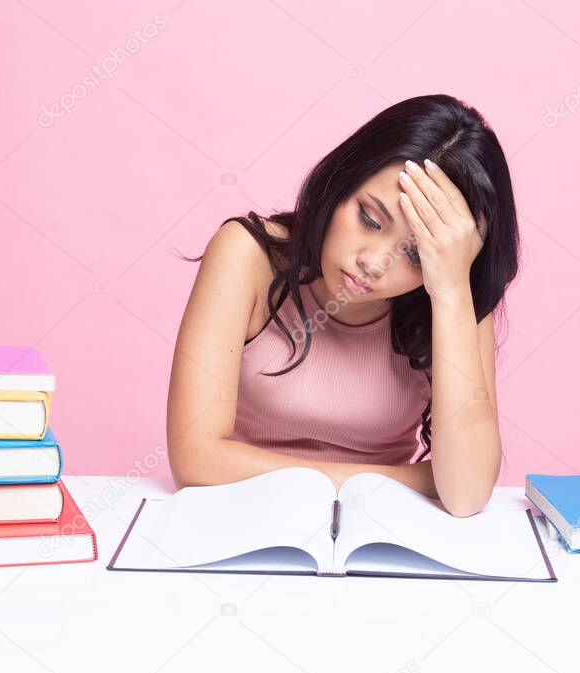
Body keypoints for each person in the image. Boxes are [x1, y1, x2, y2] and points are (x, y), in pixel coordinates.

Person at [167, 94, 520, 516]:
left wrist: (451, 294)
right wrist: (391, 481)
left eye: (414, 254)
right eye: (370, 219)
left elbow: (465, 493)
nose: (372, 262)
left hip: (381, 531)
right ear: (343, 180)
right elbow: (194, 459)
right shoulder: (247, 256)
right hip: (243, 519)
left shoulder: (452, 296)